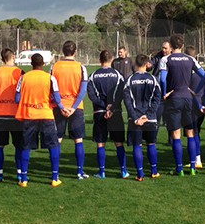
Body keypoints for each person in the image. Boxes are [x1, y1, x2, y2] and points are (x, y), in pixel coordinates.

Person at [159, 33, 205, 175]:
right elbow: (204, 76)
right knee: (191, 133)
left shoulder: (165, 59)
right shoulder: (190, 59)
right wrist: (194, 91)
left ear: (171, 45)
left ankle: (179, 168)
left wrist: (164, 93)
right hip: (188, 98)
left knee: (176, 134)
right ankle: (192, 167)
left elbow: (162, 79)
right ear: (182, 46)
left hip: (174, 98)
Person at [15, 53, 63, 187]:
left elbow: (17, 98)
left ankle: (23, 179)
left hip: (29, 115)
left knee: (26, 146)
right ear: (43, 64)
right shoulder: (50, 78)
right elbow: (57, 99)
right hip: (46, 115)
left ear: (31, 64)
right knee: (52, 145)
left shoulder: (24, 77)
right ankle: (54, 178)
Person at [50, 41, 89, 178]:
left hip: (58, 108)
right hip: (75, 108)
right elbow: (83, 90)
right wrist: (72, 108)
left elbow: (50, 89)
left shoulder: (54, 66)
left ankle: (55, 172)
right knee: (78, 140)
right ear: (75, 51)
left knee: (57, 139)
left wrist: (61, 106)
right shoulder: (80, 67)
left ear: (62, 50)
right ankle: (79, 171)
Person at [87, 50, 128, 178]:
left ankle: (101, 171)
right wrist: (112, 106)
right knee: (118, 142)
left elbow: (91, 95)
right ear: (111, 60)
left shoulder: (93, 76)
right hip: (115, 112)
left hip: (99, 113)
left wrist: (103, 105)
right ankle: (123, 170)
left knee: (100, 143)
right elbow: (122, 93)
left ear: (100, 60)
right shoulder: (118, 75)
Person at [123, 54, 162, 180]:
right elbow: (157, 100)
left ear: (135, 64)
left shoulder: (129, 80)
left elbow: (127, 101)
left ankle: (140, 174)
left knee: (137, 145)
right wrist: (148, 115)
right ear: (147, 64)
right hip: (150, 119)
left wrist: (135, 117)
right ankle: (154, 171)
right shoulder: (154, 79)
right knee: (151, 144)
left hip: (135, 120)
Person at [0, 48, 24, 182]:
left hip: (0, 114)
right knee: (19, 145)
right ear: (13, 57)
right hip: (16, 115)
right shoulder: (20, 72)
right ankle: (20, 173)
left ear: (2, 59)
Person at [185, 45, 205, 169]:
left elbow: (189, 91)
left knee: (192, 132)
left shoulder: (187, 72)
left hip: (193, 106)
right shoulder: (203, 71)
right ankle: (197, 159)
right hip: (202, 106)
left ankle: (196, 160)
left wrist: (199, 105)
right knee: (196, 132)